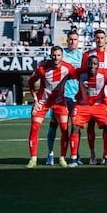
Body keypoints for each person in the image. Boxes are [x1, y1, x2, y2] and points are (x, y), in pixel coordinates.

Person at [26, 46, 76, 168]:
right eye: (54, 55)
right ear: (50, 55)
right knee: (34, 128)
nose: (56, 58)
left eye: (58, 55)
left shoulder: (68, 68)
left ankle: (62, 158)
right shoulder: (42, 69)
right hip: (43, 103)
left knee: (64, 129)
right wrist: (36, 100)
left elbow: (79, 78)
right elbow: (30, 82)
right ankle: (33, 159)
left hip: (59, 102)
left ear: (62, 56)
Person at [68, 55, 107, 167]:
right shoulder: (80, 73)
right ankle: (74, 159)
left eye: (95, 64)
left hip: (99, 105)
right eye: (89, 63)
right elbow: (66, 74)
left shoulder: (105, 73)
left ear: (98, 65)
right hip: (82, 105)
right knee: (74, 127)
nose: (92, 66)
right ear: (86, 64)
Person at [45, 30, 83, 166]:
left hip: (76, 97)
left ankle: (75, 154)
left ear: (78, 41)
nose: (73, 42)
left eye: (75, 40)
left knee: (75, 127)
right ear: (67, 41)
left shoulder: (82, 56)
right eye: (70, 39)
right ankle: (50, 154)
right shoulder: (61, 54)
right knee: (55, 125)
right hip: (61, 97)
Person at [81, 29, 107, 165]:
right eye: (97, 38)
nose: (100, 40)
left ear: (106, 39)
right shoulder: (87, 55)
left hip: (106, 96)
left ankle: (105, 154)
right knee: (90, 126)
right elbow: (83, 75)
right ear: (94, 39)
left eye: (102, 38)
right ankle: (92, 154)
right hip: (90, 96)